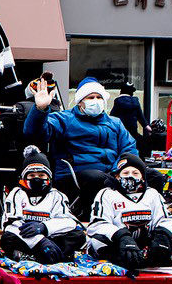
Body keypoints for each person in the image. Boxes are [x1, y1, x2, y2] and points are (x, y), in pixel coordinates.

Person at [23, 76, 140, 214]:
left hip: (112, 173)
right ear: (80, 102)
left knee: (153, 176)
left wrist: (120, 171)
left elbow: (129, 149)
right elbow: (34, 133)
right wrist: (40, 109)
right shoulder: (65, 119)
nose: (96, 101)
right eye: (90, 98)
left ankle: (145, 218)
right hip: (75, 174)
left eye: (99, 97)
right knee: (96, 178)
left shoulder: (115, 123)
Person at [87, 153, 172, 269]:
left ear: (143, 177)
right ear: (117, 176)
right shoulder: (107, 194)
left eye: (135, 173)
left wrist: (162, 236)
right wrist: (122, 236)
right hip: (120, 242)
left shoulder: (152, 194)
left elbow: (167, 220)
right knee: (97, 241)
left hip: (146, 243)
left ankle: (151, 257)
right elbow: (97, 224)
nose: (130, 176)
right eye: (125, 173)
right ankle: (124, 259)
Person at [0, 151, 87, 264]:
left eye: (41, 175)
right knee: (7, 238)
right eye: (31, 175)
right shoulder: (17, 194)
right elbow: (10, 224)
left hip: (51, 237)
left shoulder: (57, 195)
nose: (37, 178)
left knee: (78, 236)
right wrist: (39, 241)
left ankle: (50, 255)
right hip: (27, 238)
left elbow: (70, 222)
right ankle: (44, 256)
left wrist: (44, 227)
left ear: (48, 177)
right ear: (24, 177)